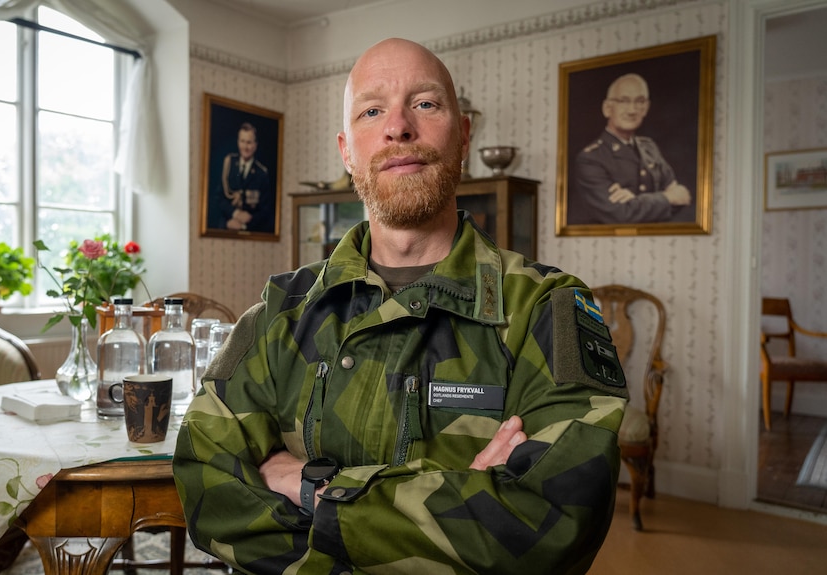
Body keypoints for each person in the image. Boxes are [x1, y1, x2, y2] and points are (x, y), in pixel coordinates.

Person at [174, 38, 628, 575]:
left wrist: (308, 487)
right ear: (347, 152)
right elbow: (204, 480)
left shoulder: (546, 306)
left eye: (425, 104)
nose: (398, 127)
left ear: (463, 137)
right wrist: (464, 500)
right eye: (372, 111)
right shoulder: (282, 308)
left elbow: (553, 523)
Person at [571, 73, 692, 225]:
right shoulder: (591, 158)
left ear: (646, 108)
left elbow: (683, 196)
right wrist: (667, 198)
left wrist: (636, 202)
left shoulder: (649, 148)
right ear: (607, 108)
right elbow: (621, 214)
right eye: (624, 101)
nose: (632, 110)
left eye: (639, 101)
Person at [220, 122, 275, 233]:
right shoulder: (229, 164)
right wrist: (234, 214)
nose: (245, 147)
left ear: (255, 145)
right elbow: (218, 198)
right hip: (226, 228)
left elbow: (265, 211)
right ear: (238, 142)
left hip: (251, 231)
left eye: (249, 142)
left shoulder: (262, 173)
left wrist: (244, 225)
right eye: (242, 141)